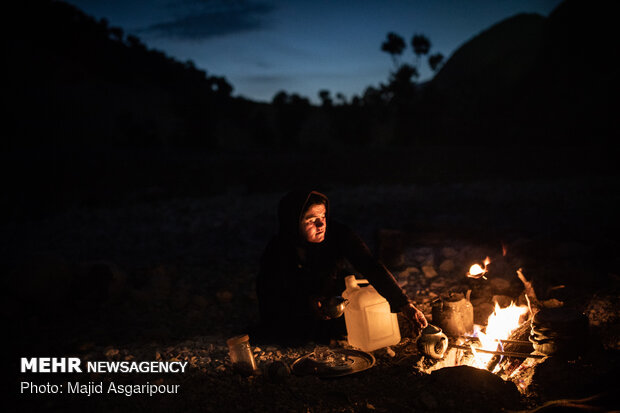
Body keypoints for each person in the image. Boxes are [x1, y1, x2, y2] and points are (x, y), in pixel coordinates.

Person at [256, 189, 427, 345]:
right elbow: (270, 294)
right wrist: (306, 302)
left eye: (323, 217)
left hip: (330, 294)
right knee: (288, 332)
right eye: (311, 220)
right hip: (295, 305)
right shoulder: (277, 250)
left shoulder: (338, 234)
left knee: (353, 310)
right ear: (293, 223)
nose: (321, 225)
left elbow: (370, 265)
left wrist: (404, 305)